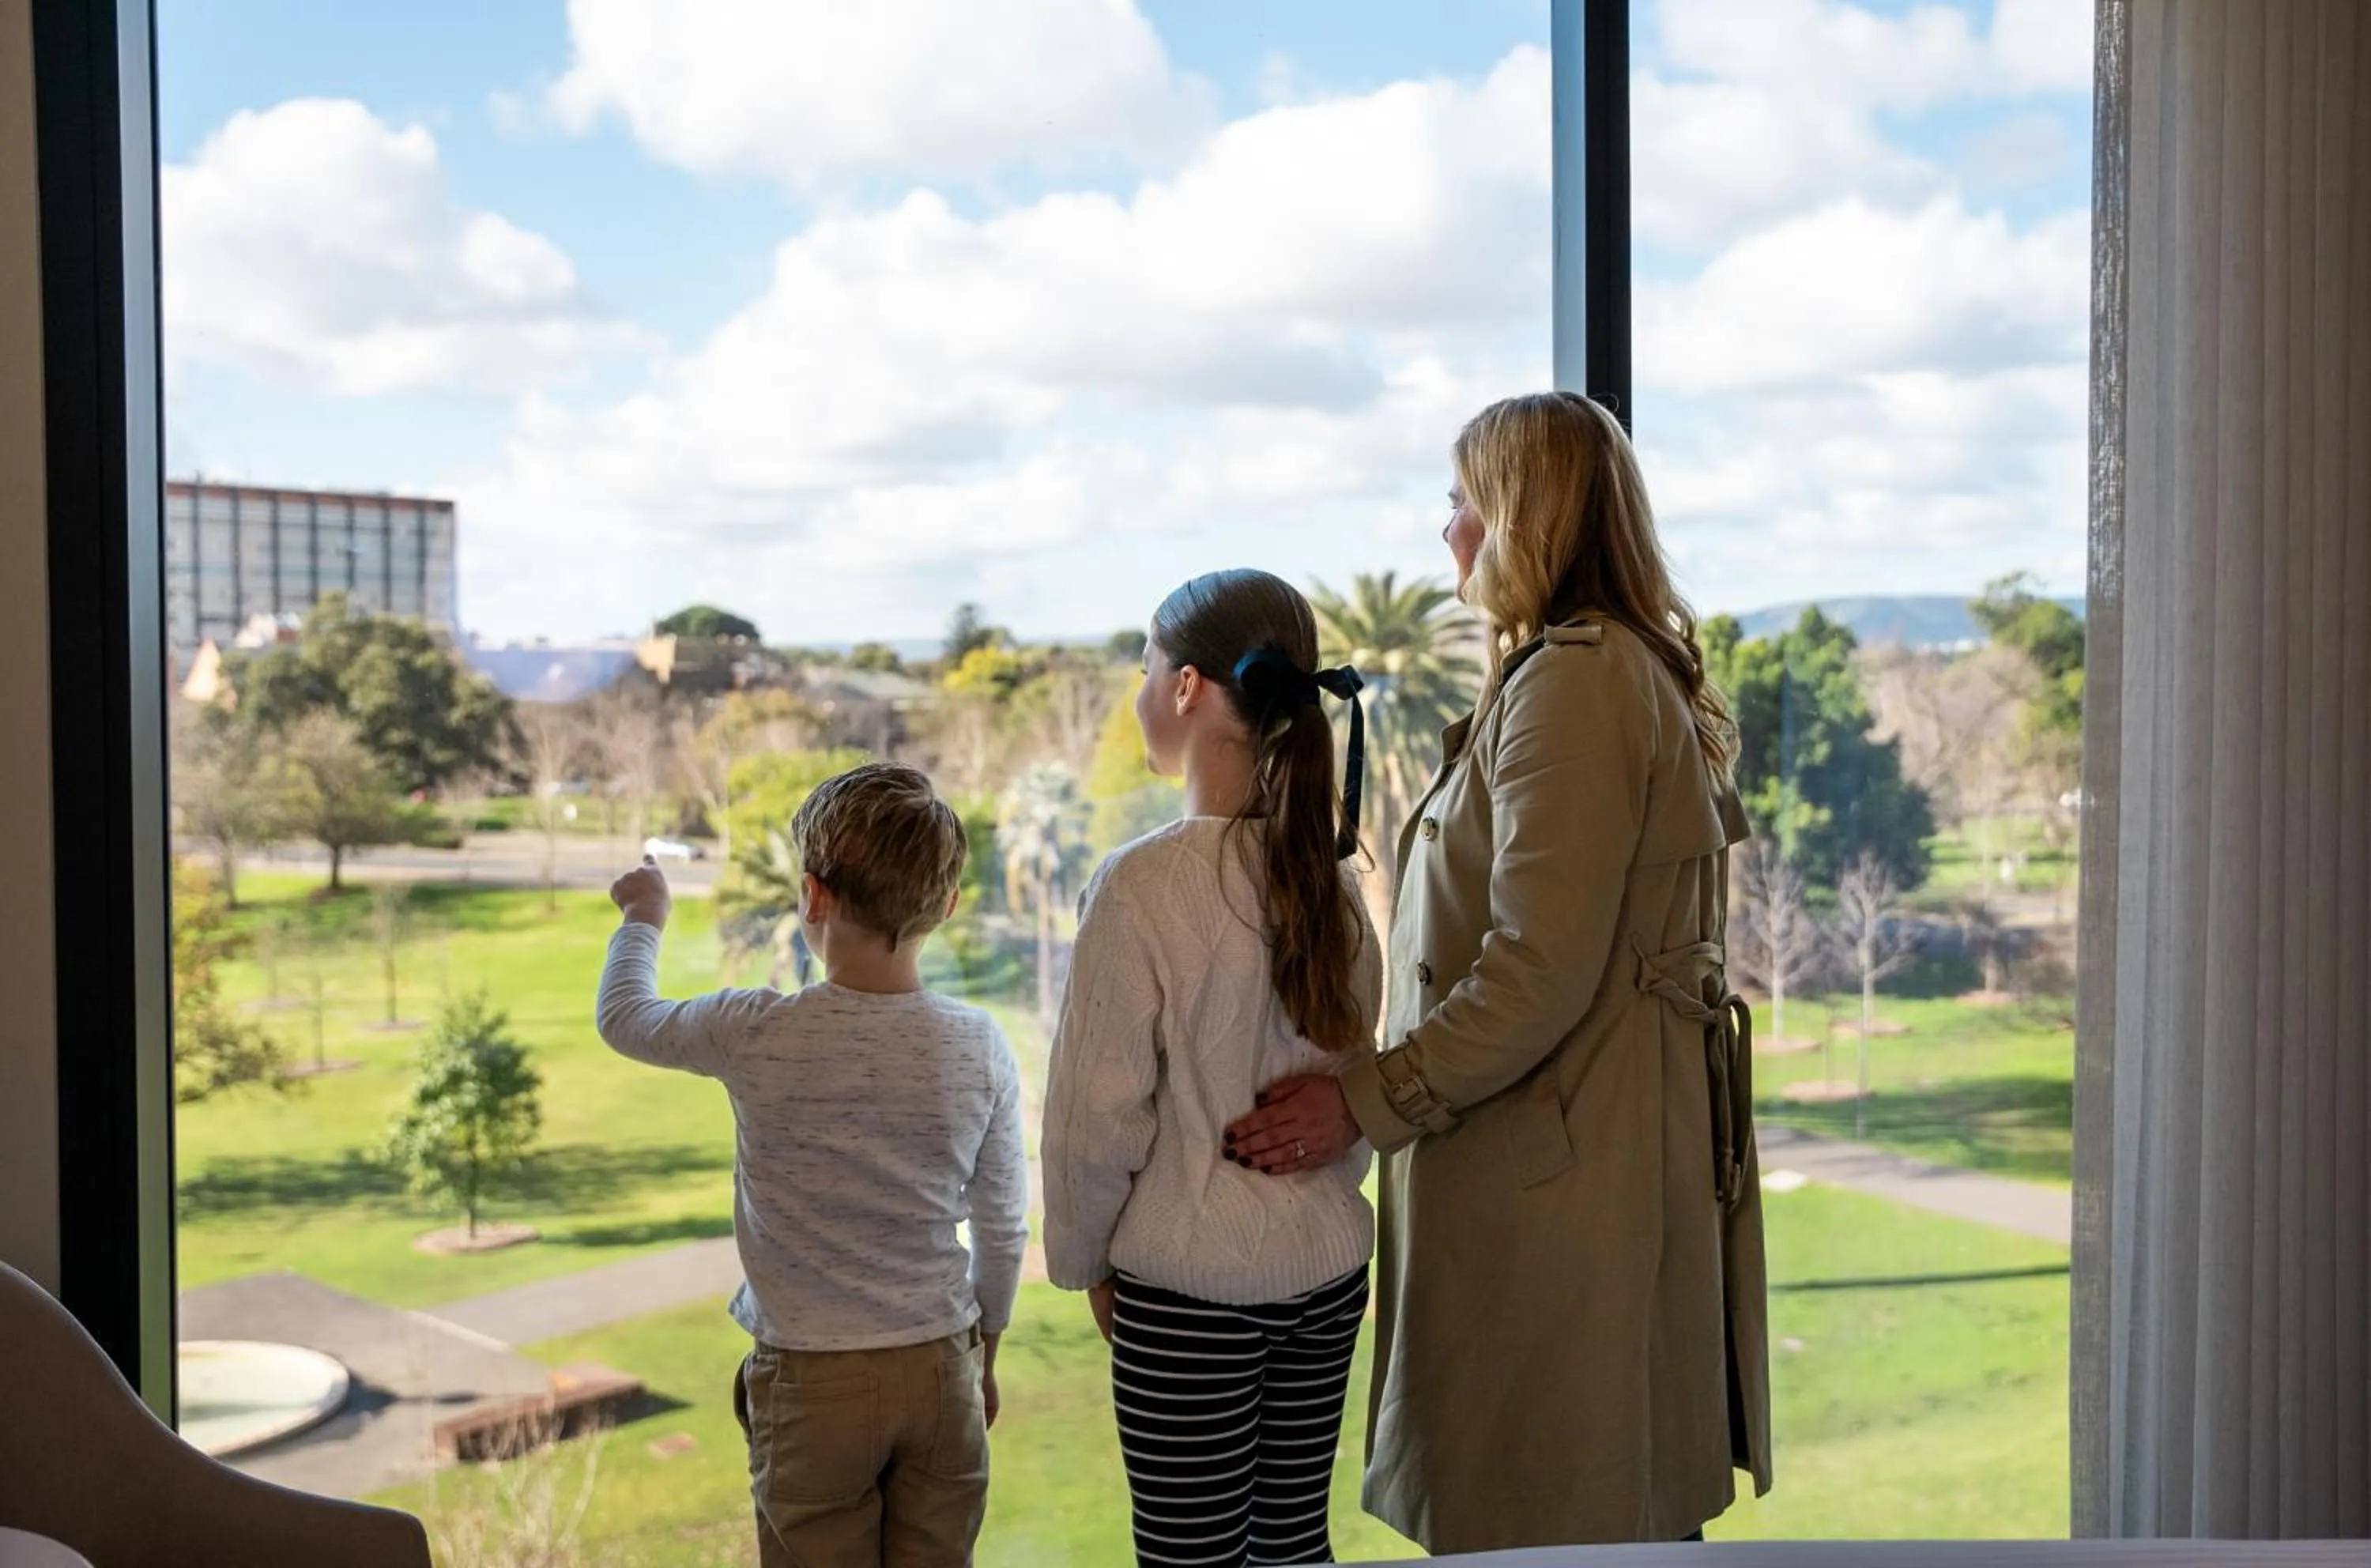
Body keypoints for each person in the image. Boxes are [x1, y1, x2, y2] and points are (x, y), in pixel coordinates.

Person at [1225, 391, 1774, 1551]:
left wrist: (1362, 1105)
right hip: (1581, 1160)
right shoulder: (1602, 671)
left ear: (1529, 515)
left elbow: (1535, 971)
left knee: (1553, 1518)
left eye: (1467, 502)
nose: (1450, 532)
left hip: (1556, 1184)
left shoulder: (1575, 684)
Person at [597, 763, 1028, 1568]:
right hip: (940, 1369)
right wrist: (984, 1358)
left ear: (813, 896)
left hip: (811, 1383)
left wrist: (643, 917)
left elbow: (625, 1017)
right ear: (946, 905)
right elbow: (1003, 1231)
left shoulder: (756, 1029)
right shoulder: (979, 1046)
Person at [1042, 568, 1382, 1568]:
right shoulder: (1330, 880)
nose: (1142, 691)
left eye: (1146, 670)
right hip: (1327, 1278)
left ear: (1188, 687)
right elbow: (1350, 1078)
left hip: (1188, 1294)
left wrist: (1086, 1262)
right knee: (1291, 1550)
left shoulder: (1140, 886)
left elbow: (1092, 1119)